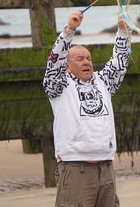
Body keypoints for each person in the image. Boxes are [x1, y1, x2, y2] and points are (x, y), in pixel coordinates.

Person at [43, 10, 131, 207]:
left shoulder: (103, 81)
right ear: (67, 66)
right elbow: (54, 63)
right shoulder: (59, 85)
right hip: (75, 168)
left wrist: (123, 31)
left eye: (88, 58)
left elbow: (120, 61)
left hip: (106, 167)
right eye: (80, 59)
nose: (86, 62)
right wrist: (69, 31)